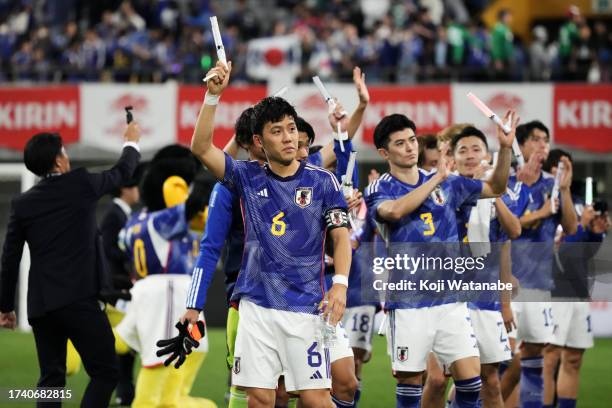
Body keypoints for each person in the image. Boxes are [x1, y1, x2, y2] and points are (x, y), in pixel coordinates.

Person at [185, 61, 352, 408]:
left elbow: (340, 236)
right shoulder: (245, 177)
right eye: (278, 131)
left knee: (317, 400)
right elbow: (201, 149)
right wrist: (212, 97)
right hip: (256, 307)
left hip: (306, 306)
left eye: (291, 128)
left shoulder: (323, 181)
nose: (289, 137)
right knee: (260, 399)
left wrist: (340, 283)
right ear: (259, 140)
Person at [364, 110, 518, 408]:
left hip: (451, 299)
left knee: (471, 382)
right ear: (384, 152)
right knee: (411, 383)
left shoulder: (447, 182)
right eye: (400, 143)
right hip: (409, 302)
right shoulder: (380, 188)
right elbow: (394, 212)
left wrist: (506, 148)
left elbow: (495, 188)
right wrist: (435, 180)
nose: (409, 147)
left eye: (411, 140)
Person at [0, 123, 141, 407]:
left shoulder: (23, 203)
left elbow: (9, 258)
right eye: (65, 152)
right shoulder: (82, 184)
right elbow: (123, 172)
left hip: (42, 306)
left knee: (51, 380)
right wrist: (131, 143)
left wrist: (6, 307)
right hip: (81, 301)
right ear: (58, 160)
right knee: (105, 372)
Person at [116, 145, 216, 408]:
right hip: (168, 288)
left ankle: (173, 399)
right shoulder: (164, 219)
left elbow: (123, 245)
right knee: (163, 355)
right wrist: (207, 175)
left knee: (193, 347)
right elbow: (191, 207)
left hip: (144, 286)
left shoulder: (135, 220)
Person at [503, 121, 578, 408]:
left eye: (545, 139)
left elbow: (571, 228)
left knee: (532, 358)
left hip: (539, 284)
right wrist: (542, 213)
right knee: (503, 361)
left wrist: (566, 190)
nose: (542, 145)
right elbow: (508, 227)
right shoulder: (507, 182)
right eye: (535, 139)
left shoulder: (552, 185)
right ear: (521, 146)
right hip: (507, 283)